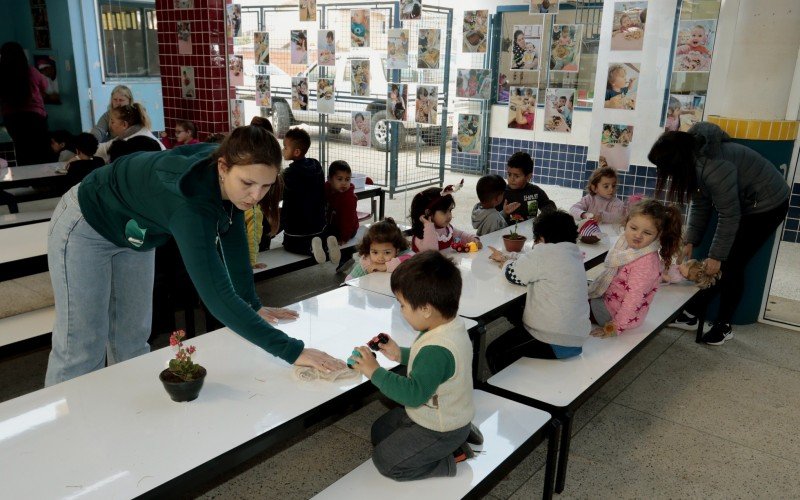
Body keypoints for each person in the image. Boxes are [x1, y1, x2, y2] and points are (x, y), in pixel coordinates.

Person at [45, 126, 345, 386]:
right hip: (87, 222)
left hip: (135, 229)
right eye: (248, 184)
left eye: (265, 186)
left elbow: (234, 238)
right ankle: (64, 441)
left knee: (132, 340)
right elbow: (216, 297)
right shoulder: (189, 204)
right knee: (81, 347)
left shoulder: (233, 165)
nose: (255, 195)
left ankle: (125, 422)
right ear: (223, 167)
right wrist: (292, 350)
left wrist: (252, 305)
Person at [648, 122, 790, 345]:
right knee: (726, 262)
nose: (663, 173)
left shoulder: (713, 167)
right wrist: (691, 240)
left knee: (732, 264)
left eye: (664, 168)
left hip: (768, 204)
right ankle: (693, 314)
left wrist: (716, 256)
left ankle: (724, 325)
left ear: (677, 161)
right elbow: (701, 203)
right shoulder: (695, 163)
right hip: (749, 203)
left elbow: (729, 215)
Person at [348, 251, 476, 480]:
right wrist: (400, 354)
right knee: (380, 431)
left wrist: (374, 372)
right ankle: (453, 441)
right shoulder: (445, 325)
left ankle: (450, 457)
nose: (401, 310)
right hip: (438, 413)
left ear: (426, 309)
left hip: (441, 427)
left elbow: (414, 394)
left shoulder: (437, 349)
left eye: (403, 305)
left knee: (386, 461)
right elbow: (431, 366)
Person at [485, 210, 589, 373]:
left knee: (494, 351)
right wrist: (509, 257)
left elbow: (513, 275)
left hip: (554, 340)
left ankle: (506, 390)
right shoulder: (572, 252)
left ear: (541, 238)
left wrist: (504, 263)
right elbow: (533, 261)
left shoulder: (543, 252)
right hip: (576, 333)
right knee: (514, 309)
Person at [587, 199, 683, 338]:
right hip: (615, 303)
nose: (638, 235)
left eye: (647, 233)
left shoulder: (645, 263)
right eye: (633, 228)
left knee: (572, 300)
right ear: (626, 223)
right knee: (581, 289)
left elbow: (633, 300)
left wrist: (614, 327)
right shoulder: (629, 247)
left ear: (658, 234)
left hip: (613, 314)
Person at [281, 127, 340, 264]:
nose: (283, 150)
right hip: (318, 224)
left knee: (289, 244)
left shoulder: (289, 174)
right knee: (316, 238)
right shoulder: (316, 165)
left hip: (297, 226)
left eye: (285, 147)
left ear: (296, 152)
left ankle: (310, 248)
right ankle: (327, 244)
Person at [0, 42, 52, 166]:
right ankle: (45, 182)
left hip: (12, 118)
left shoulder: (2, 75)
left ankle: (28, 181)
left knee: (21, 148)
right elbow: (46, 87)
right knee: (41, 150)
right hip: (35, 116)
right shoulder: (31, 71)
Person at [409, 185, 481, 252]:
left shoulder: (447, 229)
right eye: (444, 211)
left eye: (450, 210)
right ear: (428, 213)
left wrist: (474, 239)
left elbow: (461, 235)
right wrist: (428, 225)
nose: (449, 216)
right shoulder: (420, 235)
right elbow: (431, 252)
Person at [345, 218, 413, 280]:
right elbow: (349, 281)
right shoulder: (366, 262)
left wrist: (386, 266)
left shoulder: (401, 256)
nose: (380, 258)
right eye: (375, 252)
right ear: (369, 249)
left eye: (387, 252)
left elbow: (413, 257)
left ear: (397, 250)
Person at [95, 104, 164, 163]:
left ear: (124, 124)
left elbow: (102, 150)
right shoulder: (136, 131)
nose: (110, 125)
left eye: (113, 122)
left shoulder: (132, 140)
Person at [503, 151, 556, 222]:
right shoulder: (502, 193)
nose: (511, 179)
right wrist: (504, 213)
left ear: (528, 177)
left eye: (517, 176)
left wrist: (543, 217)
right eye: (509, 174)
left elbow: (549, 205)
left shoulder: (535, 191)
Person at [324, 160, 359, 244]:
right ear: (329, 179)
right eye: (340, 179)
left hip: (348, 231)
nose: (344, 183)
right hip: (333, 224)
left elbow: (348, 221)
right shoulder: (326, 188)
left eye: (347, 179)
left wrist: (344, 238)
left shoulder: (349, 199)